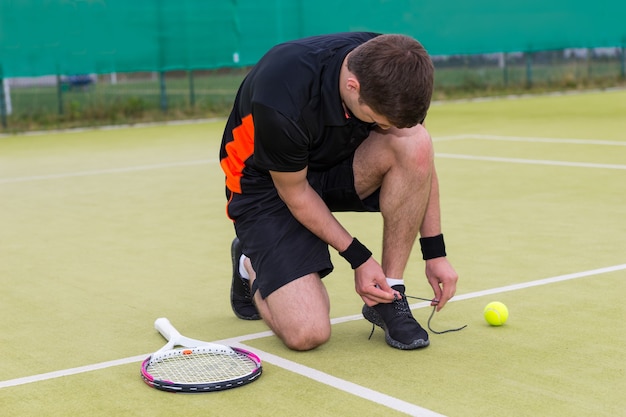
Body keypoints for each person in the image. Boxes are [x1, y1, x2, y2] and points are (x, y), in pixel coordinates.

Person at [219, 32, 458, 351]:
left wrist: (435, 253)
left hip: (331, 161)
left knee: (414, 142)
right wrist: (359, 258)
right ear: (352, 86)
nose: (385, 129)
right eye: (379, 122)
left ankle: (389, 293)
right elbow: (296, 194)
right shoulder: (282, 95)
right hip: (266, 186)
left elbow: (422, 162)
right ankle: (250, 265)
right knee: (307, 333)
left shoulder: (391, 65)